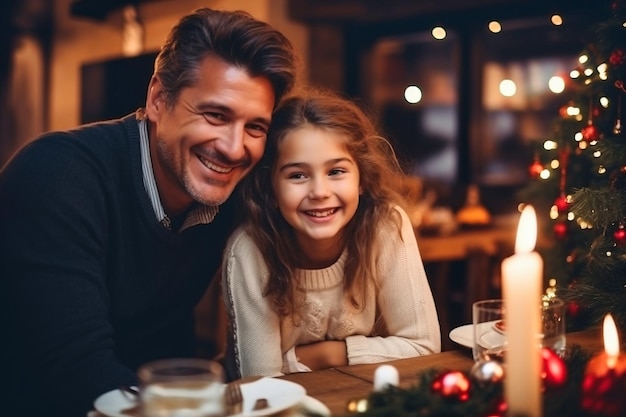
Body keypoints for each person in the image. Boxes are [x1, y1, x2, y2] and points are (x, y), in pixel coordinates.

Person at [0, 7, 297, 417]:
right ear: (158, 99)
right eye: (215, 115)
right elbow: (78, 375)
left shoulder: (235, 191)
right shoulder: (55, 175)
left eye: (255, 127)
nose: (233, 148)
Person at [222, 89, 441, 379]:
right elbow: (263, 384)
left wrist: (328, 355)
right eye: (297, 175)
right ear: (270, 189)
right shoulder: (250, 251)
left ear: (362, 178)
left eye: (336, 171)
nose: (320, 192)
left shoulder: (385, 226)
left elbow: (425, 348)